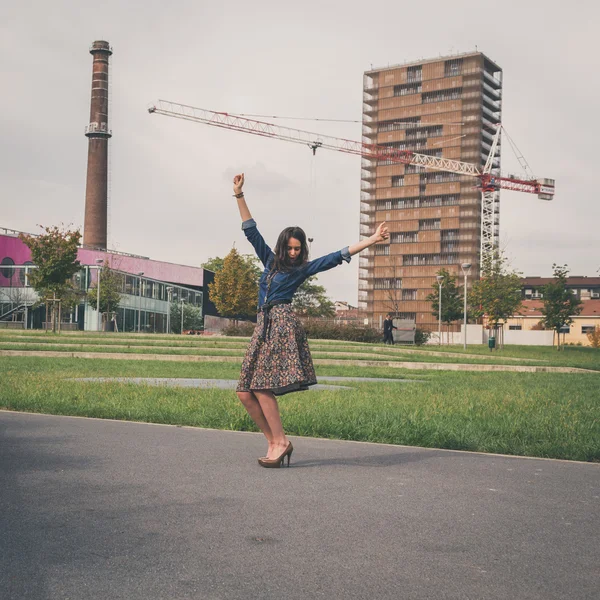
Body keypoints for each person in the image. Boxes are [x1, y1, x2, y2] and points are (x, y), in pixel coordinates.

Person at [232, 173, 389, 468]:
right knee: (244, 392)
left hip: (281, 325)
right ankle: (275, 441)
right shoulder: (268, 260)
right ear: (282, 247)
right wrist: (239, 194)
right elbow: (251, 231)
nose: (293, 253)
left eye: (298, 249)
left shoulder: (302, 269)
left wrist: (372, 239)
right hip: (262, 326)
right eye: (290, 248)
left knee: (262, 386)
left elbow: (335, 256)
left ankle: (280, 442)